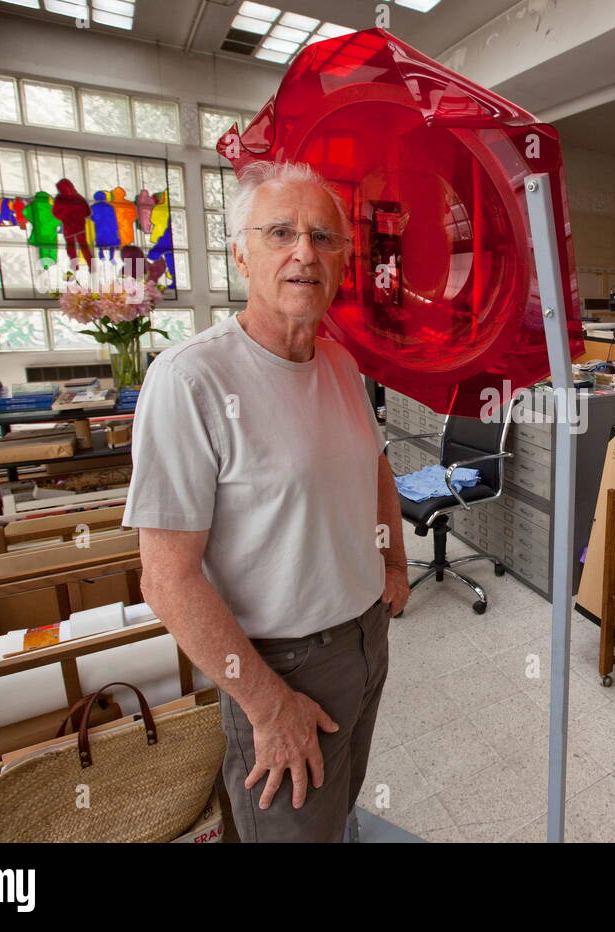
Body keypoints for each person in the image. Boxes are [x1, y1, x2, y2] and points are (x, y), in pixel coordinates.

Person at [122, 160, 410, 843]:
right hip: (278, 667)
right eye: (280, 232)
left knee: (335, 815)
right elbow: (166, 578)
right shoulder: (190, 379)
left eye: (322, 237)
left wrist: (393, 567)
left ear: (342, 260)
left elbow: (374, 472)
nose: (304, 253)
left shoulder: (339, 364)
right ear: (241, 253)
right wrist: (266, 703)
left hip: (365, 642)